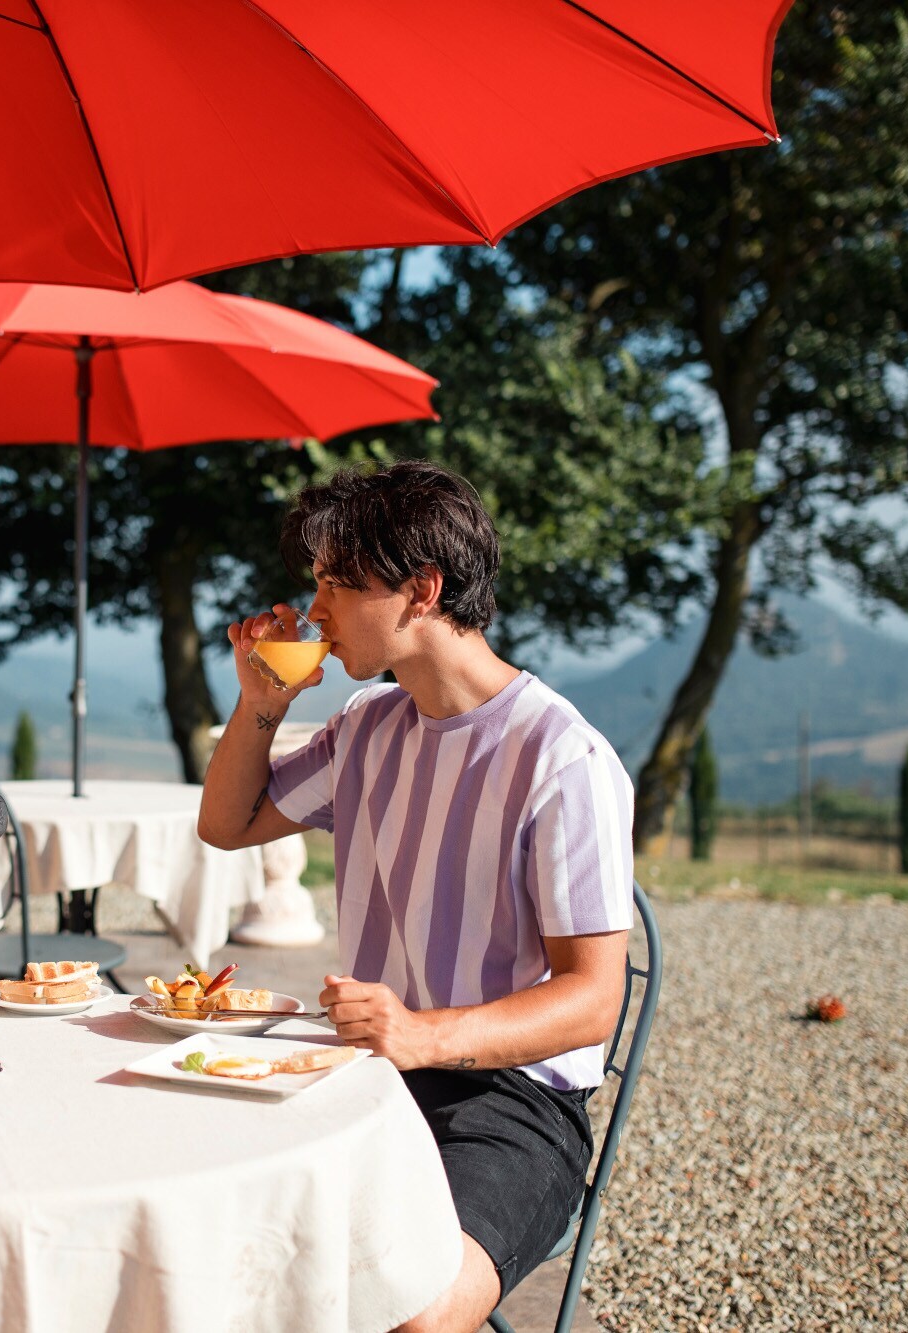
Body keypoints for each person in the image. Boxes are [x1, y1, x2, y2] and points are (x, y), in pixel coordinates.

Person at [199, 462, 633, 1333]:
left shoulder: (562, 758)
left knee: (417, 1316)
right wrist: (262, 705)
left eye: (335, 584)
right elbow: (228, 823)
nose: (312, 609)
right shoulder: (367, 726)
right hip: (365, 1077)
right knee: (199, 1236)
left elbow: (593, 1001)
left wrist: (425, 1034)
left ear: (421, 591)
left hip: (510, 1102)